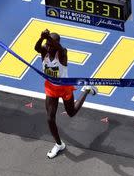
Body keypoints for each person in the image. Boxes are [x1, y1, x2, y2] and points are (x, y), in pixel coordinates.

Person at [35, 29, 98, 158]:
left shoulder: (62, 54)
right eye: (47, 43)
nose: (47, 46)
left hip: (64, 88)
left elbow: (59, 47)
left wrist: (49, 39)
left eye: (50, 44)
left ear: (56, 44)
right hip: (51, 88)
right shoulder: (44, 52)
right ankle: (59, 144)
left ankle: (87, 90)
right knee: (49, 118)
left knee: (71, 113)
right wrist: (42, 38)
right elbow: (36, 47)